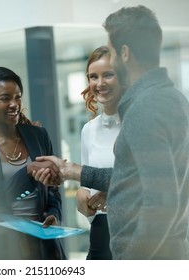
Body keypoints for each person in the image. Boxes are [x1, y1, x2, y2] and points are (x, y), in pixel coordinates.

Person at [35, 5, 189, 259]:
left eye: (111, 51)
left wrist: (127, 258)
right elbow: (138, 179)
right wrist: (71, 172)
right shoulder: (173, 99)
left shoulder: (145, 109)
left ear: (124, 53)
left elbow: (159, 204)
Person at [0, 66, 66, 260]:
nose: (14, 104)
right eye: (4, 98)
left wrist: (54, 213)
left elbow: (52, 189)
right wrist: (27, 172)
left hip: (41, 244)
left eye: (17, 97)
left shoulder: (38, 136)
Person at [75, 45, 123, 260]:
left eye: (108, 75)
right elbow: (86, 183)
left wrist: (112, 196)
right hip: (101, 234)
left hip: (134, 233)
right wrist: (81, 195)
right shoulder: (89, 130)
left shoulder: (139, 125)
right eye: (93, 76)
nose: (100, 83)